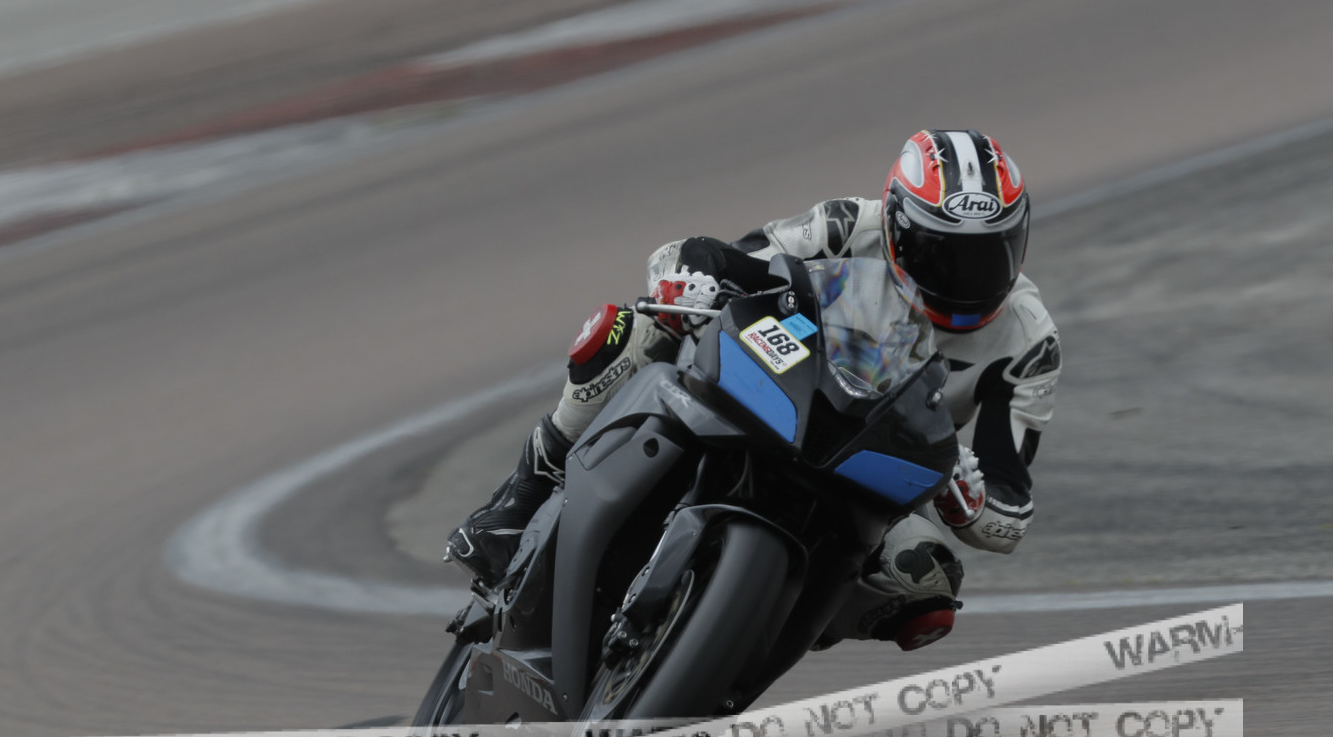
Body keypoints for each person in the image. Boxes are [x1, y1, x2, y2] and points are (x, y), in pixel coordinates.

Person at [445, 130, 1060, 651]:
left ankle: (748, 639)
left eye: (989, 255)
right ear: (898, 224)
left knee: (927, 581)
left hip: (877, 468)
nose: (963, 279)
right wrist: (691, 279)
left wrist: (969, 504)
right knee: (632, 330)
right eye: (940, 253)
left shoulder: (1030, 340)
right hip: (786, 384)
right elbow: (722, 258)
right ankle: (517, 502)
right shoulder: (848, 225)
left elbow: (1010, 511)